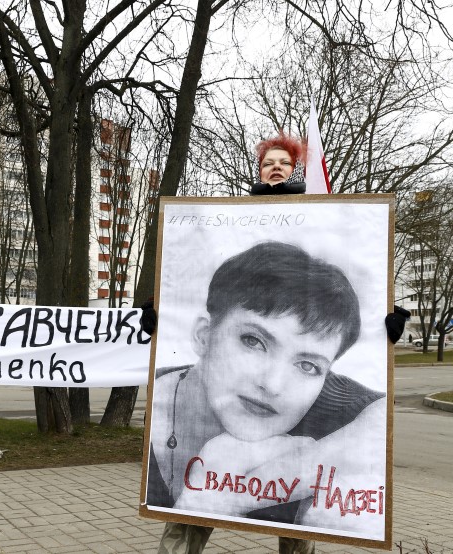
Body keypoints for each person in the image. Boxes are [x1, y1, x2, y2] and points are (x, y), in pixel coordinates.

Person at [148, 133, 408, 554]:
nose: (273, 384)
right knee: (184, 525)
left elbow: (378, 414)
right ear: (203, 335)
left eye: (309, 365)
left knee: (300, 535)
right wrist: (158, 312)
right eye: (253, 340)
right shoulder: (235, 215)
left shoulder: (336, 403)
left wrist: (385, 331)